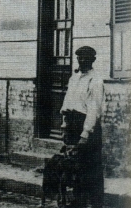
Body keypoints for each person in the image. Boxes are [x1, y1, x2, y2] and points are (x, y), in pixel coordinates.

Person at [60, 46, 104, 208]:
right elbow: (67, 102)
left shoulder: (96, 80)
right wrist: (65, 125)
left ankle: (95, 203)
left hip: (87, 126)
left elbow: (94, 109)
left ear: (93, 60)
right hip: (72, 124)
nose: (82, 61)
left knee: (90, 167)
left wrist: (85, 134)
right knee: (75, 166)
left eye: (85, 58)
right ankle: (78, 202)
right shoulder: (74, 78)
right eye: (79, 58)